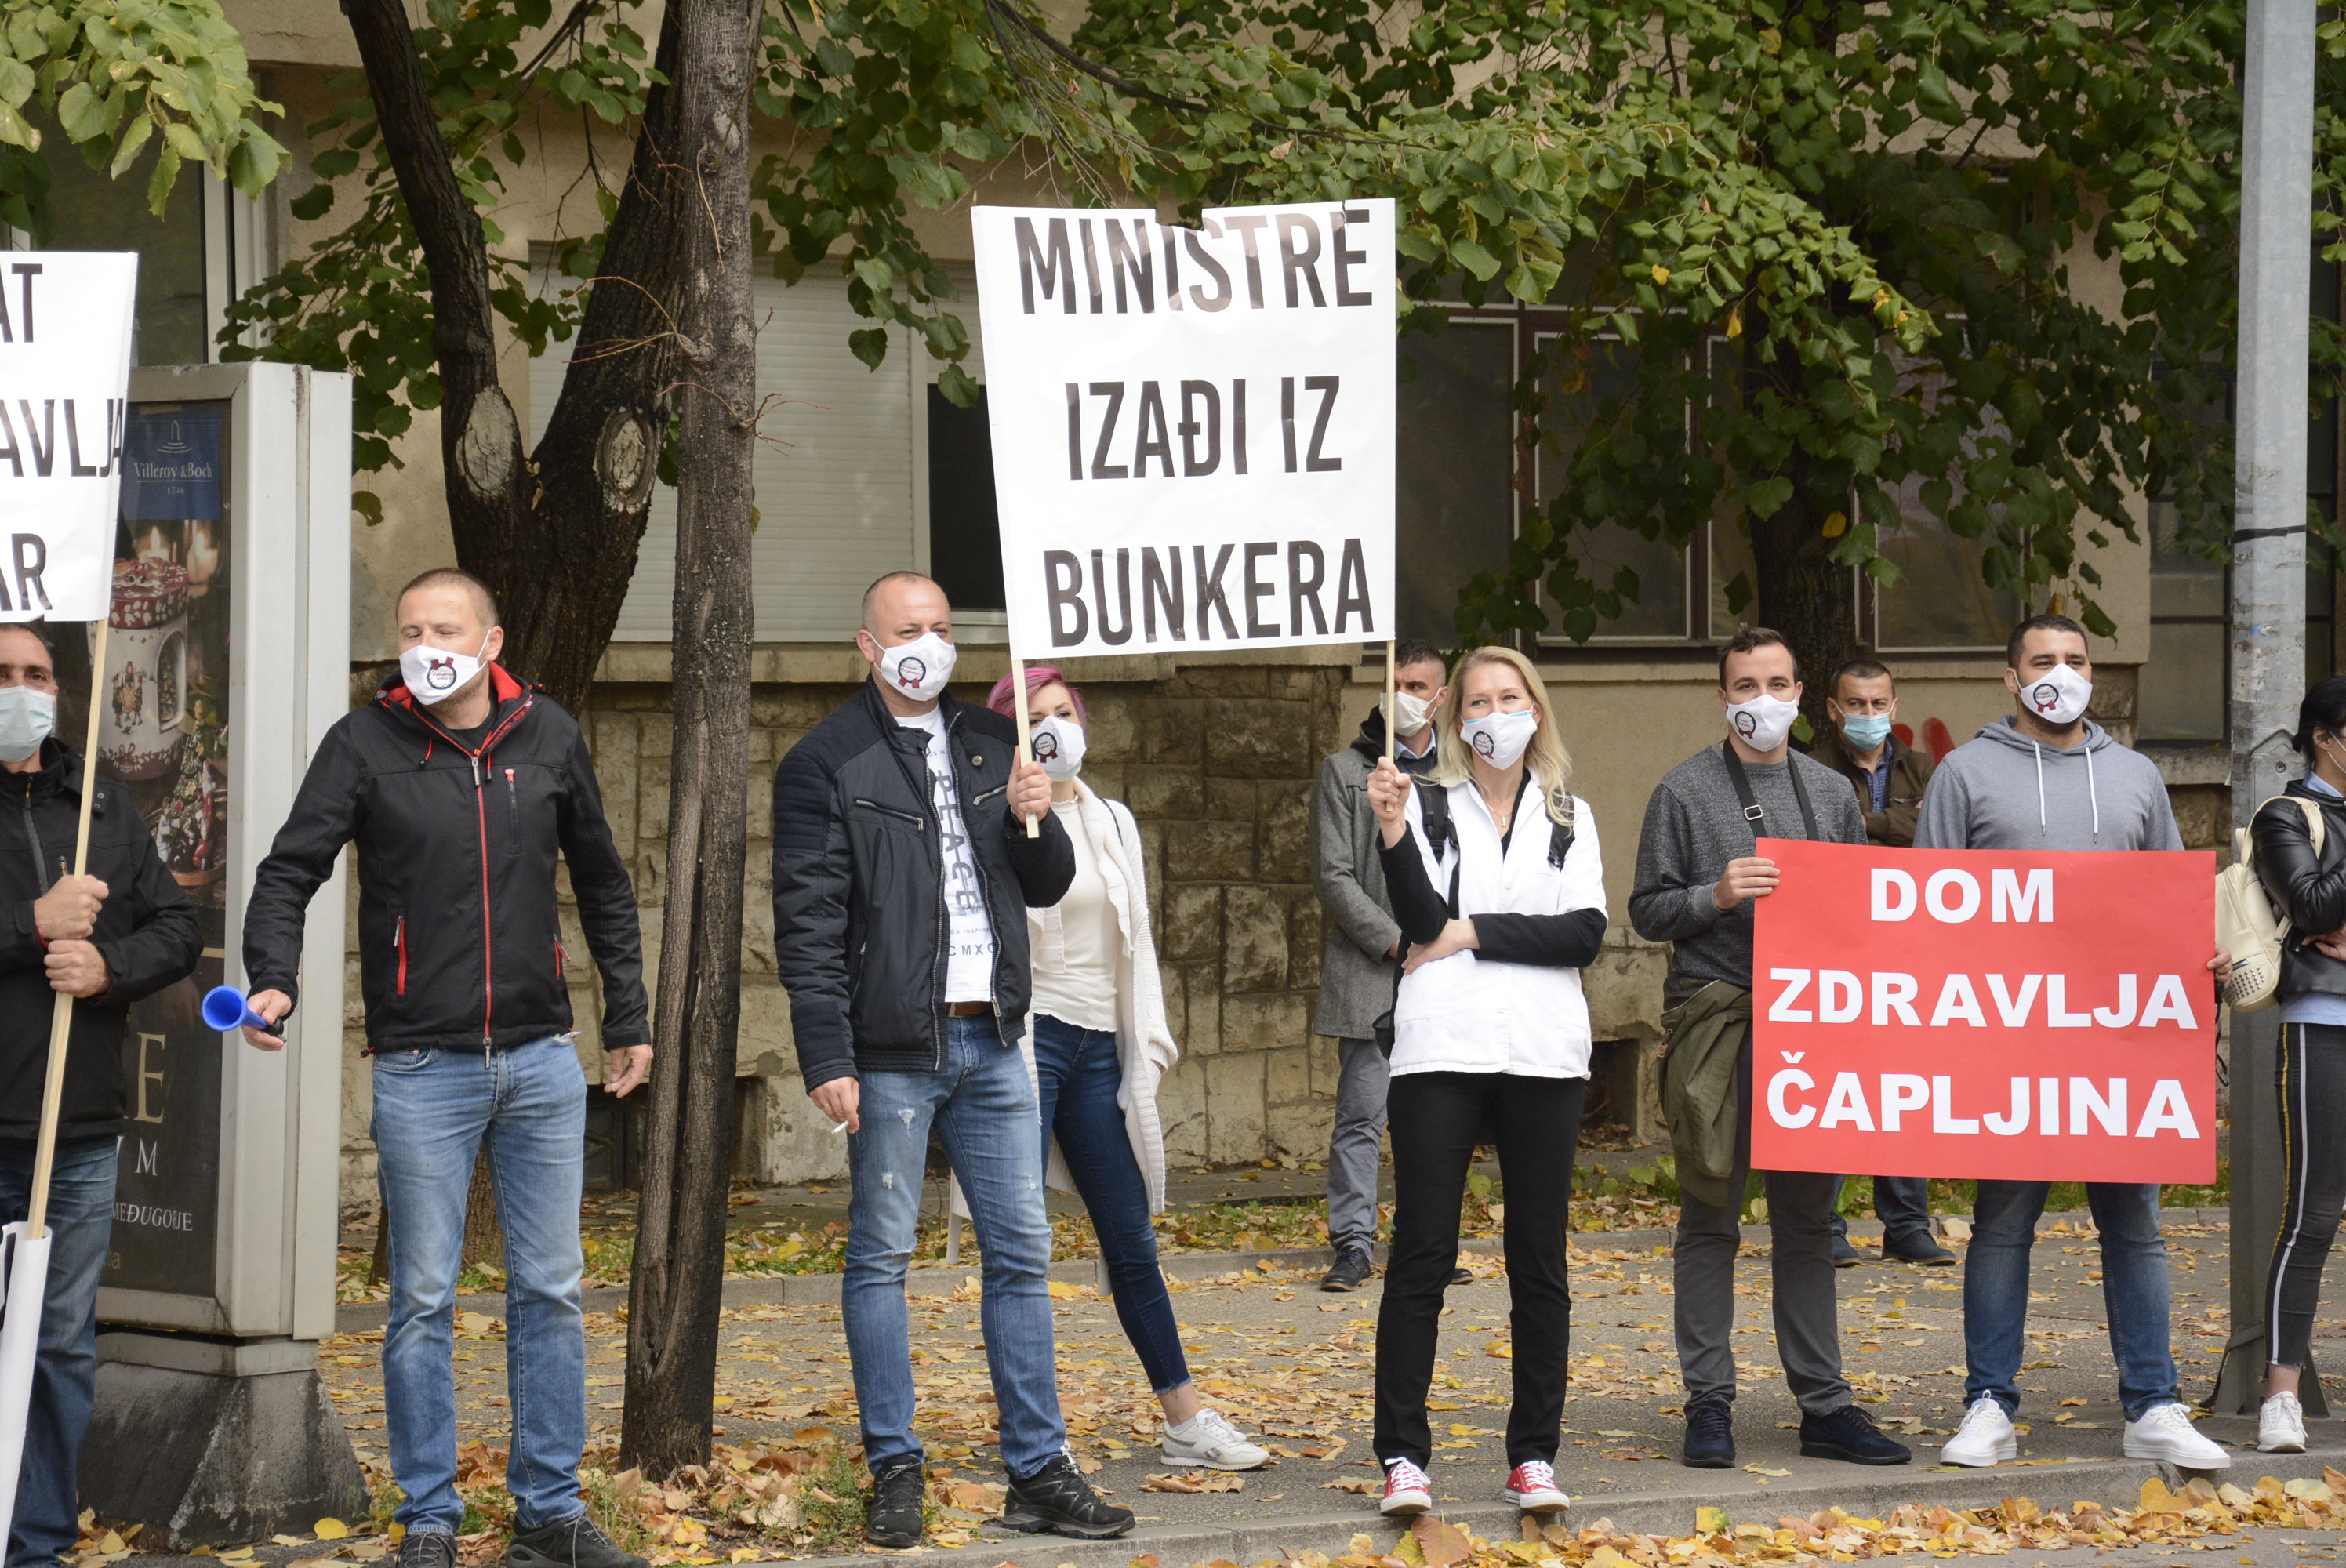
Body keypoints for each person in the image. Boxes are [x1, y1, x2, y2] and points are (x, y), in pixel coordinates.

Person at [238, 570, 656, 1568]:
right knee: (422, 1297)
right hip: (422, 1066)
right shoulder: (363, 743)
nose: (426, 642)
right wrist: (272, 979)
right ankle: (429, 1518)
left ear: (491, 641)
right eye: (411, 628)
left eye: (446, 627)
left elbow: (601, 879)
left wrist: (628, 1015)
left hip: (545, 1062)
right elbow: (289, 871)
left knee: (550, 1288)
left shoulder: (546, 735)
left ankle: (548, 1513)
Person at [771, 573, 1130, 1546]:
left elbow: (1047, 885)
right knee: (880, 1255)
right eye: (905, 629)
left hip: (993, 1038)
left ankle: (1038, 1468)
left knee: (1021, 1252)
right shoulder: (824, 762)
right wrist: (824, 1052)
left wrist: (1035, 809)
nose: (924, 642)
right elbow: (807, 922)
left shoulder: (990, 743)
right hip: (888, 1051)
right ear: (867, 644)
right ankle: (895, 1463)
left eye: (938, 627)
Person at [1919, 612, 2230, 1472]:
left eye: (2076, 658)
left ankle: (2153, 1403)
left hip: (2118, 1046)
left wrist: (2194, 954)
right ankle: (1988, 1403)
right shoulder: (1963, 772)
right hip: (2010, 1042)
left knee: (2134, 1223)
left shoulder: (2133, 777)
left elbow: (2168, 903)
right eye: (2043, 659)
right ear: (2010, 679)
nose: (2063, 670)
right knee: (2001, 1223)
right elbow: (1920, 911)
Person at [1630, 626, 1911, 1471]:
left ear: (1799, 694)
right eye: (1745, 684)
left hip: (1811, 1027)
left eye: (1778, 682)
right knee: (1710, 1216)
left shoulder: (1829, 794)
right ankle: (1708, 1401)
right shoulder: (1681, 791)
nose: (1762, 699)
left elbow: (1858, 915)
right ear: (1723, 697)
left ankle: (1823, 1404)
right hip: (1719, 1024)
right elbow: (1646, 909)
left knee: (1808, 1222)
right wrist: (1713, 895)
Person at [985, 668, 1269, 1472]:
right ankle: (1034, 1442)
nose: (1052, 728)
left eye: (1061, 712)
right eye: (1033, 719)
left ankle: (1184, 1418)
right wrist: (1019, 818)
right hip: (1031, 1039)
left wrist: (1144, 1045)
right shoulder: (998, 820)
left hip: (1097, 1046)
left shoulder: (1113, 819)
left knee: (1130, 1235)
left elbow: (1133, 943)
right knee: (1020, 1245)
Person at [1359, 646, 1606, 1519]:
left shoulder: (1569, 815)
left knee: (1538, 1258)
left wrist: (1467, 931)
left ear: (1535, 708)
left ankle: (1533, 1454)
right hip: (1442, 1048)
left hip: (1542, 1053)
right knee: (1423, 1250)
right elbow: (1418, 918)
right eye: (1478, 700)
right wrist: (1392, 831)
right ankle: (1401, 1455)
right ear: (1457, 720)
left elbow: (1579, 932)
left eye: (1510, 696)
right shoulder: (1429, 805)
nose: (1495, 712)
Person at [0, 622, 201, 1568]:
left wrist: (106, 966)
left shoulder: (102, 811)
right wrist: (26, 927)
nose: (22, 688)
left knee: (58, 1350)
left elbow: (177, 925)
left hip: (73, 1135)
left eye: (36, 672)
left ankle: (35, 1542)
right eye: (2, 673)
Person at [1310, 640, 1450, 1293]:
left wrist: (1448, 944)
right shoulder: (1342, 772)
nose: (1406, 694)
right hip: (1377, 970)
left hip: (1449, 970)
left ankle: (1428, 1246)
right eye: (1397, 681)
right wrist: (1400, 944)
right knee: (1363, 1115)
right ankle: (1353, 1244)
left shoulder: (1462, 772)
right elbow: (1335, 879)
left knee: (1436, 1121)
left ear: (1441, 697)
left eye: (1420, 686)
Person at [1807, 659, 1952, 1269]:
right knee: (1837, 1088)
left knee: (1906, 1086)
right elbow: (1815, 849)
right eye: (1855, 704)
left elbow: (1940, 839)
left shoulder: (1929, 771)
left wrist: (1862, 825)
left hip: (1912, 952)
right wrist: (1894, 828)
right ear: (1833, 709)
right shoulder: (1808, 771)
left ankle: (1908, 1225)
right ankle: (1825, 1226)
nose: (1868, 715)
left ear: (1895, 707)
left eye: (1878, 703)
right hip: (1832, 949)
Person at [2249, 674, 2346, 1454]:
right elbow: (2312, 909)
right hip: (2324, 1022)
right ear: (2327, 735)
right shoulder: (2287, 814)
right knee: (2313, 1212)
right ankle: (2280, 1395)